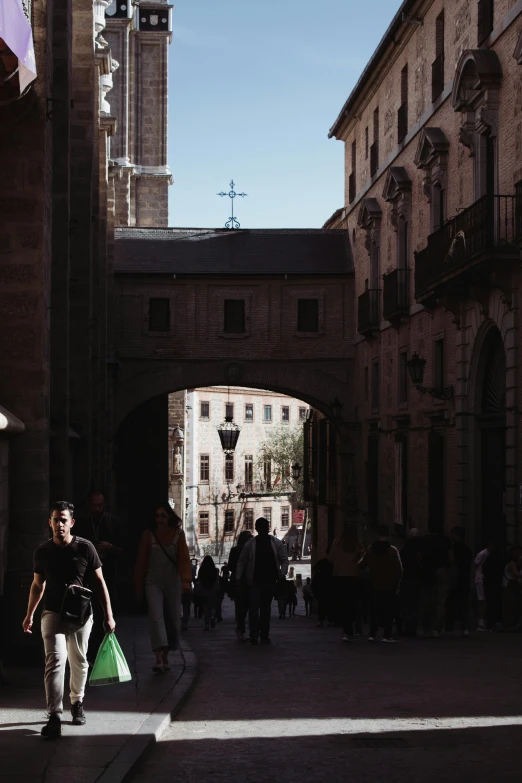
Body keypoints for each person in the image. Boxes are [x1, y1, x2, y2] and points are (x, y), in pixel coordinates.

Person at [23, 500, 116, 738]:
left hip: (81, 614)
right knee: (55, 661)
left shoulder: (85, 549)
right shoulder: (42, 551)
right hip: (52, 612)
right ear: (50, 523)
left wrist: (109, 616)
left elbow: (100, 583)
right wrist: (29, 614)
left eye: (63, 520)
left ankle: (77, 702)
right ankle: (54, 716)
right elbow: (37, 585)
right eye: (55, 520)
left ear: (72, 523)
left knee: (79, 660)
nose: (59, 524)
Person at [134, 503, 192, 673]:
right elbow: (141, 562)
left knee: (173, 619)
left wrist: (186, 582)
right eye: (157, 516)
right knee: (156, 617)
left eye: (163, 516)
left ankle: (166, 656)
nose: (160, 519)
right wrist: (138, 584)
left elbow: (184, 560)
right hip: (153, 582)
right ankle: (158, 658)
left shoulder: (178, 535)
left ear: (169, 517)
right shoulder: (148, 535)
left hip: (172, 582)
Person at [75, 490, 123, 657]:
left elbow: (125, 551)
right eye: (93, 505)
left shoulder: (113, 523)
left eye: (99, 505)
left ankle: (100, 652)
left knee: (107, 613)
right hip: (87, 576)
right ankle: (89, 653)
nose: (96, 509)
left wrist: (111, 548)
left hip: (109, 574)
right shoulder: (82, 523)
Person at [236, 517, 289, 645]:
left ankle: (263, 634)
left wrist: (282, 573)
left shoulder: (276, 543)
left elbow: (284, 559)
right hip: (254, 581)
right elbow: (242, 562)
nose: (262, 530)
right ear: (257, 529)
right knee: (255, 609)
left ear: (267, 528)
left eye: (264, 527)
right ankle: (255, 634)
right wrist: (238, 577)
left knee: (265, 608)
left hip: (270, 581)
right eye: (260, 528)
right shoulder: (250, 544)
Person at [361, 524, 402, 643]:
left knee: (374, 609)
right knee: (389, 610)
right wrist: (396, 581)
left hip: (374, 583)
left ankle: (372, 634)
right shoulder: (392, 550)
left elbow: (362, 564)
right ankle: (386, 635)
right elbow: (399, 568)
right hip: (389, 584)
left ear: (377, 535)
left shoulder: (370, 549)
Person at [328, 522, 364, 642]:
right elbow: (363, 559)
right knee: (354, 604)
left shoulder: (337, 543)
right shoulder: (358, 544)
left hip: (340, 578)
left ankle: (346, 630)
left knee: (343, 604)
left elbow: (331, 559)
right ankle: (355, 627)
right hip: (354, 578)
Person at [420, 531, 452, 636]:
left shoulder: (425, 540)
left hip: (428, 570)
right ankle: (437, 628)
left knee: (428, 599)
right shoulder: (445, 541)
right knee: (441, 600)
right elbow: (450, 557)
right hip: (442, 570)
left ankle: (426, 626)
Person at [445, 527, 473, 637]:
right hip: (464, 580)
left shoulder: (453, 548)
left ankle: (450, 627)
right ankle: (465, 628)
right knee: (463, 605)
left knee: (451, 604)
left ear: (457, 535)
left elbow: (451, 563)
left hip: (455, 580)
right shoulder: (468, 550)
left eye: (452, 534)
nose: (451, 536)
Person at [228, 530, 253, 640]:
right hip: (244, 581)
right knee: (246, 606)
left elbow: (230, 566)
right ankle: (242, 629)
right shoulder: (250, 550)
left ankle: (241, 629)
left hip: (238, 582)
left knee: (240, 607)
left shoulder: (235, 550)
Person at [399, 528, 422, 637]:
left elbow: (401, 562)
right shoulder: (421, 548)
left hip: (407, 578)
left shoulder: (405, 547)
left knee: (407, 604)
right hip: (417, 578)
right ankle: (413, 627)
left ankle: (408, 627)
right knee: (415, 605)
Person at [194, 556, 221, 630]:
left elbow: (199, 579)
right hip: (213, 590)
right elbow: (217, 581)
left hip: (204, 590)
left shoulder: (201, 570)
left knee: (205, 607)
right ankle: (212, 617)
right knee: (212, 606)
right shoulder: (215, 570)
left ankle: (206, 624)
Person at [311, 552, 334, 627]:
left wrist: (314, 592)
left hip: (321, 591)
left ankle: (321, 621)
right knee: (330, 605)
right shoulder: (331, 564)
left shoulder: (320, 570)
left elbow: (314, 582)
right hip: (329, 589)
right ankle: (330, 620)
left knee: (321, 606)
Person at [502, 547, 522, 630]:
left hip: (512, 586)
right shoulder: (511, 563)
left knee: (513, 605)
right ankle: (509, 624)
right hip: (509, 586)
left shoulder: (514, 563)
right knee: (510, 605)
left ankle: (511, 623)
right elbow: (516, 574)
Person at [474, 542, 493, 630]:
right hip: (480, 578)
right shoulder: (482, 554)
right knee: (482, 599)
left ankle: (481, 620)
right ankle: (481, 621)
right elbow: (475, 565)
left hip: (482, 578)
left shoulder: (487, 554)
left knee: (482, 599)